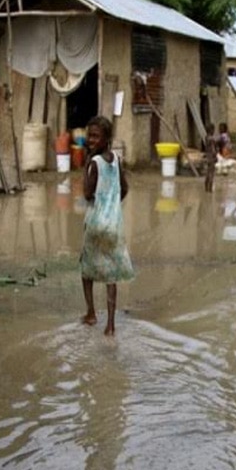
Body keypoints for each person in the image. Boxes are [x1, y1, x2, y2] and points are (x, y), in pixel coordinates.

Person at [79, 115, 133, 335]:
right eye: (89, 136)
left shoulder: (94, 162)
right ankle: (110, 325)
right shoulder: (116, 161)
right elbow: (125, 188)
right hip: (114, 223)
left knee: (86, 268)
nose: (90, 140)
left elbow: (87, 192)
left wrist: (86, 166)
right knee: (111, 275)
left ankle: (91, 313)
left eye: (95, 136)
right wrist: (112, 205)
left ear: (106, 138)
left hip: (94, 222)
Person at [204, 122, 218, 192]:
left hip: (207, 157)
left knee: (207, 172)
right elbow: (213, 150)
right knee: (211, 173)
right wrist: (215, 156)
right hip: (211, 157)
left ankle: (206, 187)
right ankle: (210, 188)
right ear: (212, 130)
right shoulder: (212, 139)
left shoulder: (206, 137)